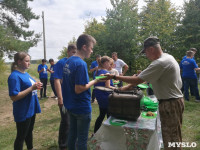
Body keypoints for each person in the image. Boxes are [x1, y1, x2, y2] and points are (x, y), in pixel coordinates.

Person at [103, 37, 184, 150]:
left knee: (171, 138)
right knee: (172, 135)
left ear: (151, 49)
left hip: (170, 103)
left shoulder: (160, 63)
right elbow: (143, 78)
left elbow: (138, 80)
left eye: (145, 52)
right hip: (173, 101)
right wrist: (123, 89)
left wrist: (114, 76)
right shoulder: (167, 57)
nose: (146, 55)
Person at [62, 34, 99, 150]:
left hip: (71, 105)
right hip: (81, 107)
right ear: (84, 47)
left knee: (72, 135)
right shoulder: (81, 63)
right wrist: (96, 80)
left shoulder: (69, 61)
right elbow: (79, 89)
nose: (92, 51)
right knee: (82, 139)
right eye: (91, 48)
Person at [8, 52, 42, 150]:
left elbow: (30, 86)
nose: (29, 63)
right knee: (21, 136)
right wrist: (32, 88)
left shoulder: (25, 73)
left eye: (29, 61)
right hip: (23, 110)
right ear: (19, 62)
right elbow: (14, 97)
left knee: (29, 132)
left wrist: (36, 85)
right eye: (27, 61)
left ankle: (30, 148)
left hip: (30, 109)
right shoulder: (14, 76)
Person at [54, 44, 77, 150]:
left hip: (75, 97)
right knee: (66, 121)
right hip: (65, 97)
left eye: (76, 52)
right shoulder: (61, 63)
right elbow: (57, 80)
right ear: (68, 51)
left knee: (74, 121)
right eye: (73, 52)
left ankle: (72, 141)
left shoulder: (77, 63)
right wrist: (60, 97)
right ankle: (63, 145)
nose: (74, 54)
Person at [94, 56, 115, 133]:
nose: (110, 65)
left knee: (101, 115)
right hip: (106, 96)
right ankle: (109, 133)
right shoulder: (106, 73)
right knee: (109, 116)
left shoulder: (97, 71)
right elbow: (108, 86)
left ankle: (96, 132)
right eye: (109, 64)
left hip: (99, 96)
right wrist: (116, 88)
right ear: (105, 63)